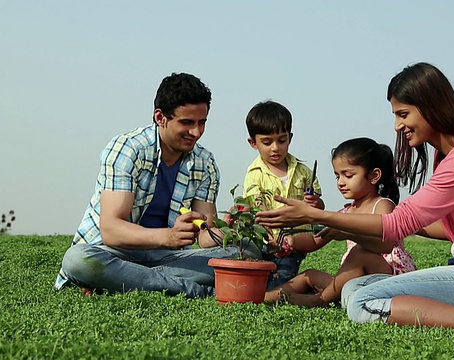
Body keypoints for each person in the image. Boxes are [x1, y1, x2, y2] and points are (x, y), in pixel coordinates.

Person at [256, 63, 454, 340]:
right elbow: (445, 229)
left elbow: (395, 226)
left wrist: (321, 217)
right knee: (354, 289)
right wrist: (359, 223)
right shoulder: (449, 154)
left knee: (361, 303)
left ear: (431, 106)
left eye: (403, 114)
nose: (398, 125)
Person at [54, 73, 260, 298]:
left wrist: (230, 228)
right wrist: (168, 237)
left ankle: (126, 281)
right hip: (114, 253)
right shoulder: (128, 149)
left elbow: (205, 237)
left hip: (168, 258)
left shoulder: (205, 162)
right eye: (187, 122)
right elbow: (112, 230)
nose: (197, 132)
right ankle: (193, 291)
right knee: (77, 260)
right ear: (160, 117)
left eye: (202, 123)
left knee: (247, 251)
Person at [264, 138, 416, 306]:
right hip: (355, 281)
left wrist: (349, 234)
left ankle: (319, 299)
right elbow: (315, 239)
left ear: (374, 176)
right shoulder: (345, 212)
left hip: (390, 279)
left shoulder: (383, 205)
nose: (341, 182)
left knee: (359, 253)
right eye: (337, 176)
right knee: (310, 275)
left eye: (348, 175)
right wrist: (290, 242)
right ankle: (261, 298)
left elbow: (385, 244)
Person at [243, 100, 325, 289]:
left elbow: (319, 207)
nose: (275, 148)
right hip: (265, 240)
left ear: (290, 137)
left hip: (296, 241)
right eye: (267, 142)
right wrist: (269, 232)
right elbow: (257, 204)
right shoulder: (254, 172)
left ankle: (290, 289)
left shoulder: (303, 171)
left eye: (282, 140)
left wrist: (315, 202)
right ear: (253, 143)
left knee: (283, 276)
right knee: (263, 277)